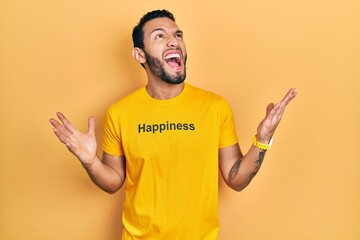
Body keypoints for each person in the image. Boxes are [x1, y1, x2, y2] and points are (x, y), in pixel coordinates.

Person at [49, 9, 297, 240]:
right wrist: (89, 161)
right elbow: (113, 182)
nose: (173, 40)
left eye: (177, 35)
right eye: (160, 36)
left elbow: (236, 179)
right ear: (140, 54)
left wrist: (263, 140)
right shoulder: (120, 112)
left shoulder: (215, 107)